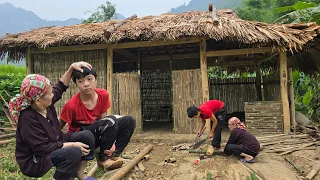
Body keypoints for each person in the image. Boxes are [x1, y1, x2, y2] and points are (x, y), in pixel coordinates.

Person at [9, 62, 96, 180]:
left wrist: (71, 68)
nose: (52, 95)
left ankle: (81, 174)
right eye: (49, 94)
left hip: (55, 141)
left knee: (87, 136)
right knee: (73, 152)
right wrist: (71, 144)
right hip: (36, 158)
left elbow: (60, 87)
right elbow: (42, 148)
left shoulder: (46, 104)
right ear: (38, 100)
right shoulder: (27, 118)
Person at [59, 67, 136, 170]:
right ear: (76, 84)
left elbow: (103, 121)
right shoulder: (71, 105)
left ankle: (115, 155)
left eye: (89, 79)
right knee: (110, 120)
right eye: (80, 81)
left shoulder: (103, 95)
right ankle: (103, 159)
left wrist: (111, 142)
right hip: (81, 137)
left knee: (129, 121)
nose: (86, 84)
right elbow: (58, 126)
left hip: (96, 131)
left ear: (96, 79)